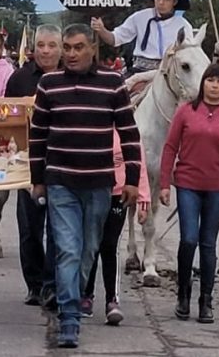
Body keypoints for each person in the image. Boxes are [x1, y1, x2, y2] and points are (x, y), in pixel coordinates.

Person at [29, 24, 141, 349]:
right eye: (67, 47)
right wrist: (38, 180)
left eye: (78, 47)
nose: (72, 54)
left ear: (93, 48)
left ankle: (70, 296)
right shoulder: (49, 85)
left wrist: (132, 179)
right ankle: (69, 318)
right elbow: (37, 136)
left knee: (88, 251)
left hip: (99, 185)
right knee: (67, 250)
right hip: (60, 182)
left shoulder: (112, 83)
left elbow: (129, 133)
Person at [159, 63, 219, 324]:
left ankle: (206, 300)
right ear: (203, 84)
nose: (214, 86)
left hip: (217, 187)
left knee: (208, 244)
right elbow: (170, 147)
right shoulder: (186, 111)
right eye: (209, 80)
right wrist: (165, 183)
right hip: (187, 184)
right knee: (188, 239)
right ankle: (183, 294)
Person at [4, 24, 62, 309]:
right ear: (34, 48)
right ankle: (34, 285)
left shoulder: (70, 76)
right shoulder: (19, 78)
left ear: (61, 48)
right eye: (41, 45)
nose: (46, 51)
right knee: (29, 228)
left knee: (59, 229)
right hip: (27, 164)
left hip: (64, 164)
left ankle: (53, 285)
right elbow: (4, 120)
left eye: (52, 45)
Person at [81, 134, 150, 326]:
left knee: (109, 244)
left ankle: (112, 300)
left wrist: (143, 198)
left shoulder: (125, 129)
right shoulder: (92, 122)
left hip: (119, 193)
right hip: (93, 190)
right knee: (91, 242)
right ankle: (86, 295)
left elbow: (139, 162)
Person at [90, 0, 193, 73]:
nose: (161, 2)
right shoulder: (140, 17)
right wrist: (102, 30)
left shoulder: (183, 25)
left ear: (174, 2)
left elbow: (189, 53)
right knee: (124, 89)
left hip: (171, 72)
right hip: (141, 70)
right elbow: (115, 39)